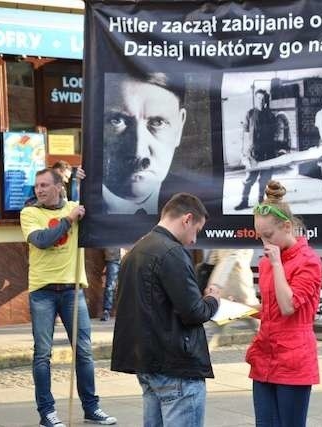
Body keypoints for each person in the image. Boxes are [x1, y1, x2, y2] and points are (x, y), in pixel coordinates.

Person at [110, 193, 221, 426]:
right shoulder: (172, 252)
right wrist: (212, 300)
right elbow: (193, 312)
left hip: (148, 362)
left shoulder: (136, 250)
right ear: (187, 219)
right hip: (176, 365)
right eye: (196, 231)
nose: (193, 240)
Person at [20, 168, 116, 427]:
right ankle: (47, 413)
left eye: (44, 185)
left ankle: (91, 408)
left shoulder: (74, 207)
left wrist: (85, 181)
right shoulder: (30, 213)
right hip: (42, 291)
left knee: (84, 352)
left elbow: (102, 207)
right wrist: (68, 220)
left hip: (72, 290)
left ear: (58, 187)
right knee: (42, 354)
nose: (39, 190)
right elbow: (42, 240)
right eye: (37, 185)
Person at [245, 180, 322, 426]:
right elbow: (272, 308)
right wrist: (240, 308)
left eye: (268, 236)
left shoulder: (307, 261)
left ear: (287, 227)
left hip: (293, 357)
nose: (264, 243)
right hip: (266, 354)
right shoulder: (269, 261)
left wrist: (278, 265)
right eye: (260, 237)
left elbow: (288, 306)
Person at [102, 72, 186, 215]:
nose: (139, 152)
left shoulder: (198, 203)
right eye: (117, 121)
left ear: (179, 127)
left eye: (158, 123)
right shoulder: (78, 200)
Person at [234, 89, 287, 211]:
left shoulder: (270, 115)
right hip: (254, 152)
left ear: (266, 100)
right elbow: (245, 134)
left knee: (265, 179)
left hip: (268, 152)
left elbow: (276, 133)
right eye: (258, 98)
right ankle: (244, 201)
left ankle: (261, 200)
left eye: (263, 99)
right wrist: (244, 152)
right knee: (249, 179)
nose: (261, 101)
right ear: (255, 99)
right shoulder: (250, 114)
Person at [100, 247, 121, 321]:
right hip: (113, 257)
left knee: (128, 285)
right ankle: (106, 311)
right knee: (110, 286)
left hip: (129, 256)